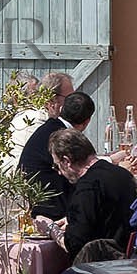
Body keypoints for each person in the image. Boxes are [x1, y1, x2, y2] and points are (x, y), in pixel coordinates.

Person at [50, 128, 137, 260]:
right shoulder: (123, 174)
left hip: (102, 268)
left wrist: (51, 229)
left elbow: (74, 244)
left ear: (66, 161)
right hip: (129, 260)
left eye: (57, 166)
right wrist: (71, 219)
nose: (59, 173)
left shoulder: (87, 187)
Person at [21, 90, 94, 219]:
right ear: (87, 121)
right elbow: (82, 168)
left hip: (32, 200)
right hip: (50, 209)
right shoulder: (62, 136)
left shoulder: (50, 128)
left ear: (61, 109)